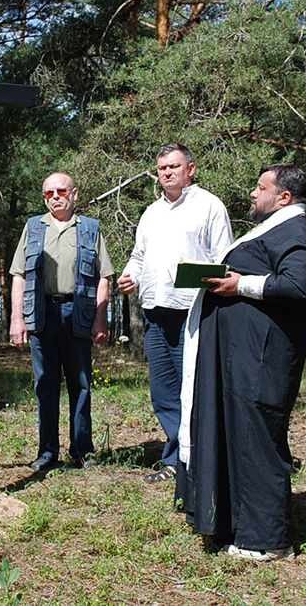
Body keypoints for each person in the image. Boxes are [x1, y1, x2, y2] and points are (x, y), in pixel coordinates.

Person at [176, 163, 306, 560]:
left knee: (258, 437)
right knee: (239, 434)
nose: (253, 194)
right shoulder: (275, 229)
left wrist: (240, 283)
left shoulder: (298, 231)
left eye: (261, 188)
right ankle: (235, 525)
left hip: (264, 357)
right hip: (244, 357)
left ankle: (268, 540)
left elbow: (301, 285)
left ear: (284, 197)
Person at [117, 144, 233, 483]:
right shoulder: (151, 213)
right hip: (154, 312)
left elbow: (224, 257)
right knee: (164, 392)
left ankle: (202, 462)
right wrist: (130, 276)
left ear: (190, 169)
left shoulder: (209, 206)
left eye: (174, 166)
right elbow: (139, 256)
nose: (167, 172)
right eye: (162, 168)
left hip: (191, 312)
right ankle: (175, 460)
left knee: (193, 389)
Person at [10, 172, 114, 472]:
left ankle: (82, 450)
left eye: (61, 191)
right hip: (42, 314)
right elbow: (19, 275)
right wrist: (17, 319)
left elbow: (103, 277)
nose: (55, 197)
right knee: (45, 384)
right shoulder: (33, 227)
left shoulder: (90, 229)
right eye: (48, 193)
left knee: (80, 383)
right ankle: (47, 452)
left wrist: (100, 319)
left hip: (77, 313)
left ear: (74, 194)